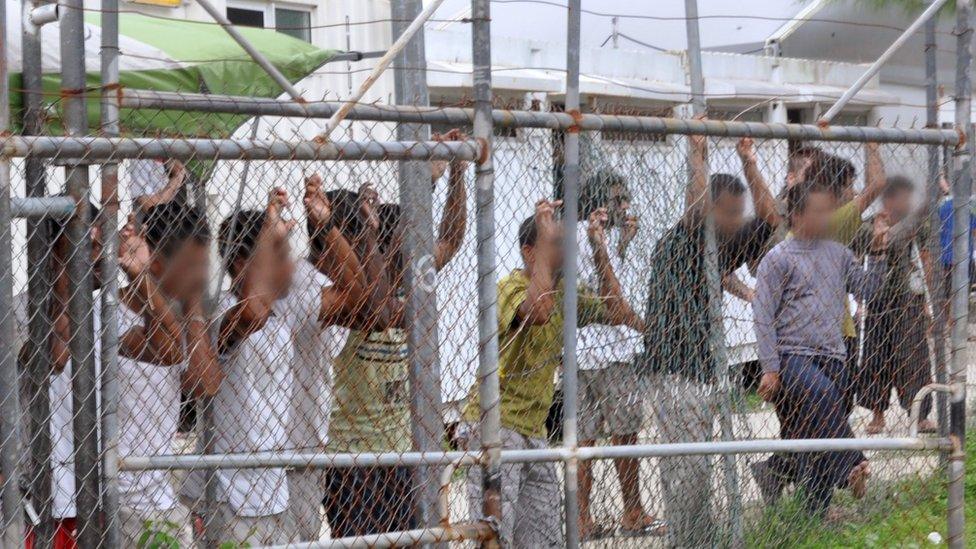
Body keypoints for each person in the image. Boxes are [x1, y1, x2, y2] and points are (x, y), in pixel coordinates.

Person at [462, 198, 641, 547]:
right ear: (532, 253)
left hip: (534, 430)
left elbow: (617, 310)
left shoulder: (564, 293)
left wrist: (600, 250)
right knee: (495, 537)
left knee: (545, 539)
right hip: (495, 427)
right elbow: (538, 311)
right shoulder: (507, 289)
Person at [324, 130, 469, 537]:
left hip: (401, 450)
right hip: (353, 457)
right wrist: (427, 183)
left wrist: (455, 170)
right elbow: (380, 309)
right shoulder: (351, 295)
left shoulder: (407, 286)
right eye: (402, 242)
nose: (413, 252)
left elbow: (451, 239)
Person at [640, 135, 780, 548]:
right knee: (687, 473)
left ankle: (698, 541)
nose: (738, 220)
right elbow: (696, 211)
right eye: (730, 212)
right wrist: (696, 151)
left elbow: (771, 218)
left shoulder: (720, 246)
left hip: (703, 369)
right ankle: (687, 543)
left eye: (739, 213)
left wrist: (749, 160)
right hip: (675, 371)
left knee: (698, 470)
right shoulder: (685, 241)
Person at [207, 182, 365, 545]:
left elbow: (357, 295)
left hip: (274, 491)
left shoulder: (286, 309)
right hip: (231, 494)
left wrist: (326, 227)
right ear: (239, 262)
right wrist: (269, 236)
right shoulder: (219, 312)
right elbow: (251, 311)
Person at [753, 180, 886, 517]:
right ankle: (853, 463)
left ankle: (816, 510)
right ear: (796, 215)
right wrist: (769, 367)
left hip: (833, 354)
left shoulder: (839, 254)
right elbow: (763, 315)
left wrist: (881, 253)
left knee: (818, 429)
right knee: (824, 397)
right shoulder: (778, 258)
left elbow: (867, 289)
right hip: (791, 357)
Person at [115, 203, 222, 547]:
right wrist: (142, 278)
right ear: (157, 260)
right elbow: (165, 349)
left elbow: (205, 384)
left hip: (161, 498)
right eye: (192, 267)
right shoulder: (106, 313)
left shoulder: (186, 319)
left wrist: (192, 303)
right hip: (117, 500)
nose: (201, 277)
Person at [573, 170, 661, 539]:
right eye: (618, 199)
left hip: (580, 353)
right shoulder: (589, 237)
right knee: (625, 436)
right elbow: (614, 301)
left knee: (582, 440)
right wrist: (651, 331)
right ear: (600, 203)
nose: (625, 205)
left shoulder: (585, 235)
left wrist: (623, 244)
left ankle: (581, 519)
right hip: (611, 352)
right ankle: (632, 512)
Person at [15, 202, 102, 549]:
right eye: (89, 247)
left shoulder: (105, 311)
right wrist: (68, 272)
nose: (99, 258)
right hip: (37, 496)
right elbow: (54, 356)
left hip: (89, 490)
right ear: (54, 252)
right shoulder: (19, 311)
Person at [852, 177, 935, 434]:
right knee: (876, 358)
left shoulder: (915, 223)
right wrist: (857, 300)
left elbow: (925, 258)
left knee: (914, 356)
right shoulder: (868, 226)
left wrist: (930, 300)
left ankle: (919, 415)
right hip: (877, 299)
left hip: (906, 297)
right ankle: (878, 415)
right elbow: (855, 259)